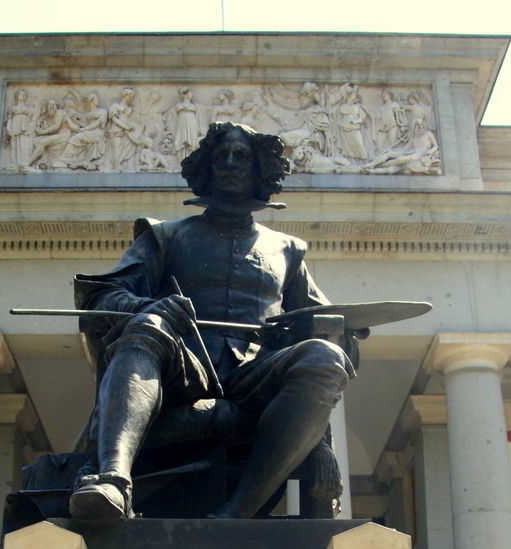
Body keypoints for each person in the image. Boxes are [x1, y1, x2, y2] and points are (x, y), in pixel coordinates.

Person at [68, 121, 354, 521]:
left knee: (323, 357)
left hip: (256, 375)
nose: (230, 164)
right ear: (206, 167)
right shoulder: (164, 236)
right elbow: (103, 297)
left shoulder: (288, 250)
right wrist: (146, 306)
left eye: (242, 157)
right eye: (222, 156)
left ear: (260, 171)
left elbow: (325, 323)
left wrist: (335, 334)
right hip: (182, 366)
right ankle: (113, 481)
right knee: (148, 326)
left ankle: (237, 512)